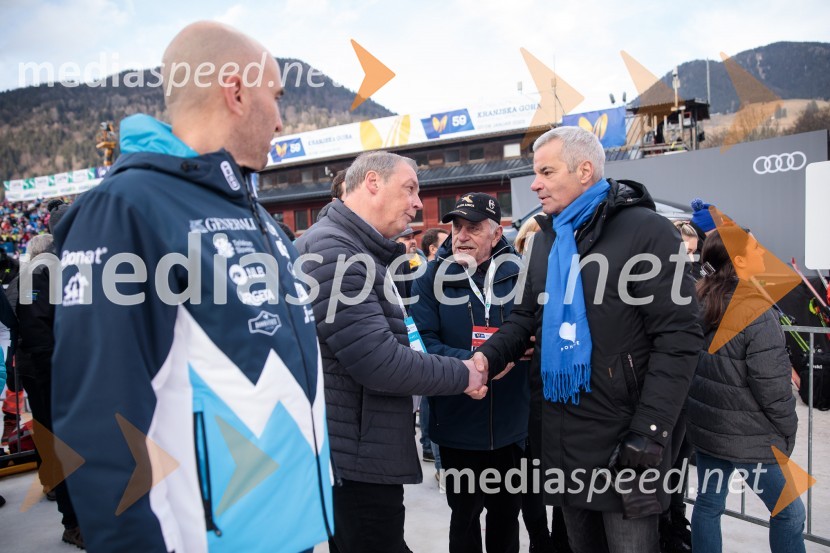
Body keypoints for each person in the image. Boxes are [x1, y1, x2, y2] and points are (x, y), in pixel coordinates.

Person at [51, 21, 332, 553]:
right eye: (274, 96)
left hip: (291, 532)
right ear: (236, 91)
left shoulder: (257, 215)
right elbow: (100, 421)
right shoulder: (127, 208)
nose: (280, 117)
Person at [474, 126, 702, 553]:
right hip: (564, 440)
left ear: (583, 170)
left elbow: (680, 336)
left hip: (627, 442)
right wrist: (483, 360)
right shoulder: (545, 241)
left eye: (545, 171)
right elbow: (524, 318)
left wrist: (650, 432)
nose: (535, 183)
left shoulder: (646, 232)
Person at [294, 150, 488, 553]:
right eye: (411, 189)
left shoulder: (355, 250)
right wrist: (465, 374)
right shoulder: (338, 254)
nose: (419, 203)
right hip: (355, 459)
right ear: (372, 183)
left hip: (358, 446)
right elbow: (379, 363)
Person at [410, 193, 530, 553]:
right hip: (458, 424)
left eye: (473, 228)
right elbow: (423, 342)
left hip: (512, 424)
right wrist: (476, 366)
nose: (461, 236)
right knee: (463, 518)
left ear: (496, 234)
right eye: (457, 227)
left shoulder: (520, 274)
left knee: (507, 516)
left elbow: (535, 332)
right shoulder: (431, 279)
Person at [686, 227, 805, 553]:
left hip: (709, 428)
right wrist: (787, 426)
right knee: (791, 514)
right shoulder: (754, 308)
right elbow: (771, 385)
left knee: (708, 505)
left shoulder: (698, 299)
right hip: (750, 435)